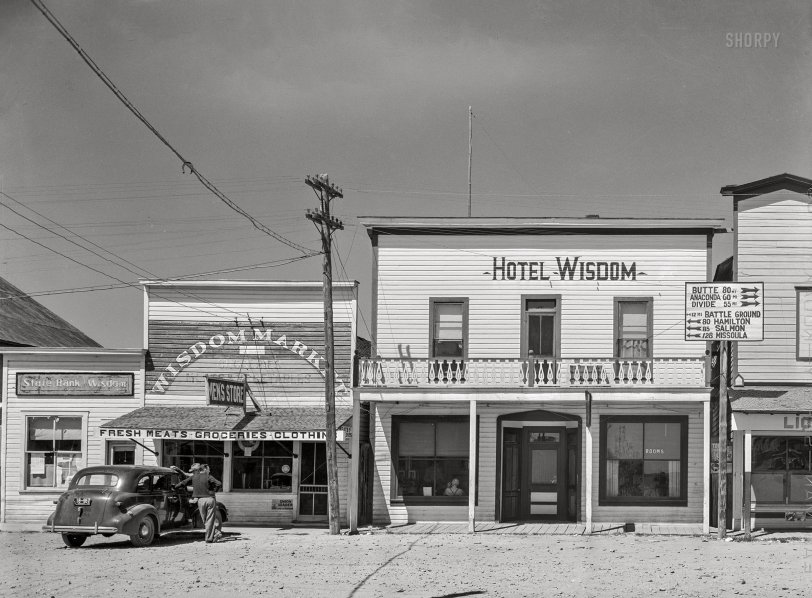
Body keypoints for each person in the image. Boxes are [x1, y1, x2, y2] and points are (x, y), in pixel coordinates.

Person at [176, 462, 222, 543]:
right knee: (210, 520)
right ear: (203, 470)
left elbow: (183, 483)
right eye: (208, 469)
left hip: (200, 501)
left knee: (205, 520)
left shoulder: (194, 477)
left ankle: (212, 535)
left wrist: (175, 487)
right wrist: (213, 491)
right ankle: (212, 536)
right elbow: (218, 484)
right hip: (210, 499)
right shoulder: (208, 476)